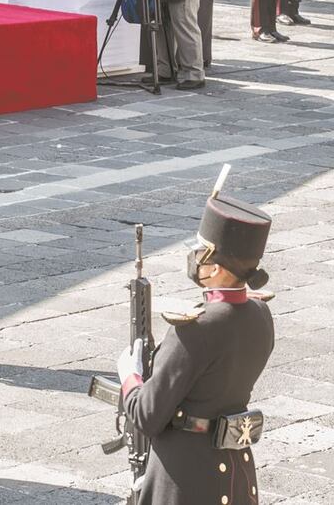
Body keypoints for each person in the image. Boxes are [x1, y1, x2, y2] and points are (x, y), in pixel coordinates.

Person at [116, 184, 275, 505]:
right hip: (235, 469)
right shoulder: (260, 313)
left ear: (215, 266)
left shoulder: (195, 328)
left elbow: (147, 416)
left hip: (186, 477)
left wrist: (130, 376)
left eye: (201, 250)